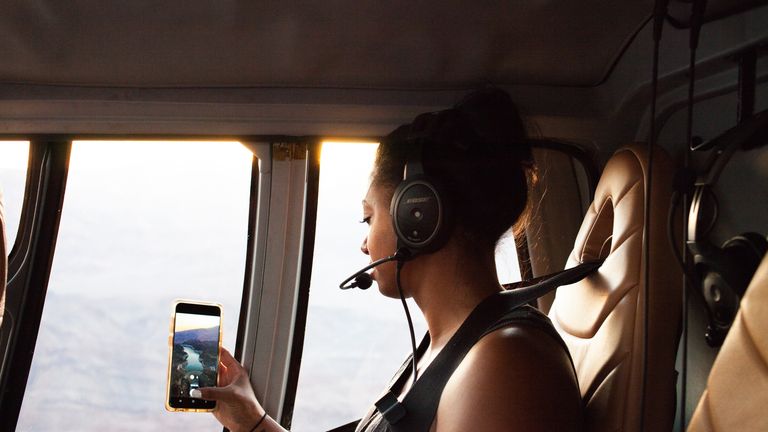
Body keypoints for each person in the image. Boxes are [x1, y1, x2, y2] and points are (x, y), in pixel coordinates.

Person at [199, 88, 583, 431]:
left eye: (369, 218)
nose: (365, 245)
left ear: (417, 215)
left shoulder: (503, 366)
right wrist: (250, 420)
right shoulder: (445, 348)